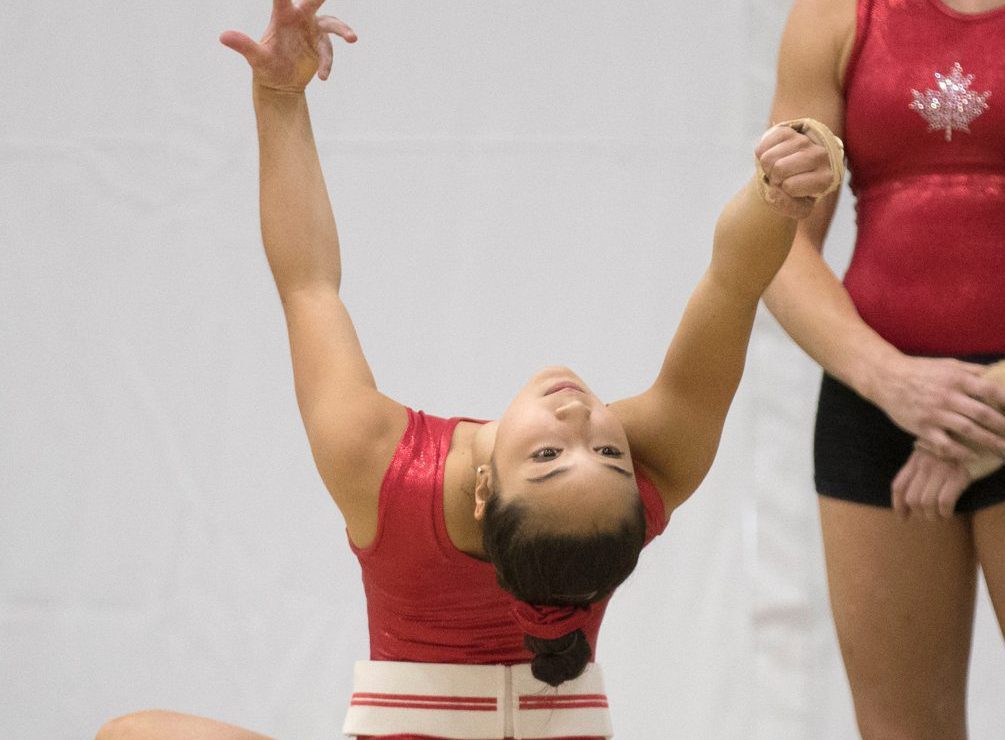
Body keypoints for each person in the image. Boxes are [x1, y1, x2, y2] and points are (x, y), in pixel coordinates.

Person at [94, 1, 842, 738]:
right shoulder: (656, 464)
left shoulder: (379, 467)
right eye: (607, 452)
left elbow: (307, 284)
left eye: (549, 456)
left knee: (133, 733)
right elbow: (732, 285)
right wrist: (775, 195)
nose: (580, 419)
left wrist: (279, 97)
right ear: (639, 505)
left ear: (484, 492)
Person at [761, 0, 1005, 738]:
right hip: (880, 405)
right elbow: (777, 248)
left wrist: (985, 405)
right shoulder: (836, 15)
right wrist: (891, 382)